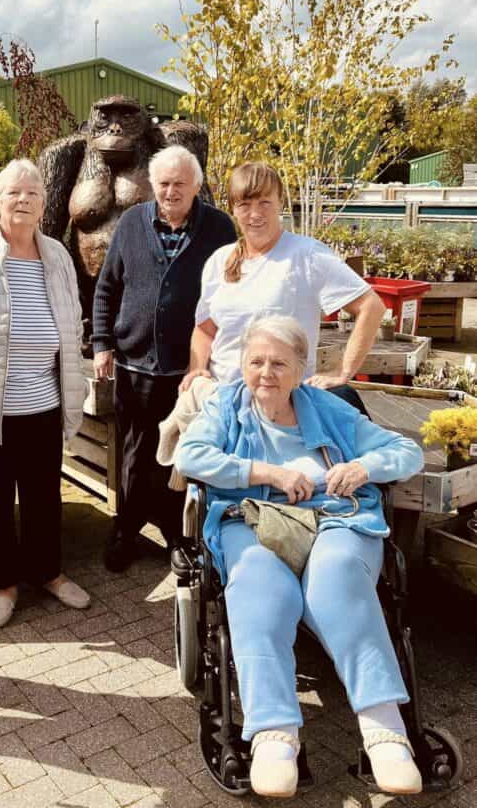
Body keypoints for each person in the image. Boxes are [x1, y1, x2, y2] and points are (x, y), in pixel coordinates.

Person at [176, 315, 424, 799]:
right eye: (256, 361)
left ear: (300, 368)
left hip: (337, 518)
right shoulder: (227, 405)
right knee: (258, 588)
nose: (266, 372)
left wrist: (362, 466)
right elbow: (191, 457)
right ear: (242, 364)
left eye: (278, 363)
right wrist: (265, 472)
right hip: (253, 516)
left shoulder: (329, 408)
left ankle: (384, 730)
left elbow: (404, 451)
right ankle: (273, 735)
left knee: (335, 582)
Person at [0, 159, 90, 629]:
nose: (24, 200)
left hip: (44, 404)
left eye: (33, 193)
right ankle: (3, 584)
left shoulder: (56, 255)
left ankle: (48, 572)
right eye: (14, 192)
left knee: (43, 497)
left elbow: (71, 322)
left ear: (43, 204)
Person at [92, 145, 236, 571]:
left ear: (196, 186)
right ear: (152, 186)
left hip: (189, 371)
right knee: (135, 454)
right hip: (135, 364)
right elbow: (106, 288)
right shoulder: (132, 223)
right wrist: (102, 343)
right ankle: (127, 529)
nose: (170, 191)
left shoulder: (219, 228)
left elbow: (232, 295)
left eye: (179, 183)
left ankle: (178, 534)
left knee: (182, 451)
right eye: (163, 184)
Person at [180, 162, 384, 402]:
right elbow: (205, 329)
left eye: (265, 202)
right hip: (223, 402)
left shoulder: (307, 255)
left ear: (280, 204)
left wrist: (343, 371)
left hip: (284, 406)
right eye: (244, 204)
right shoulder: (219, 260)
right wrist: (197, 369)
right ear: (233, 209)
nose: (255, 214)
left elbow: (371, 306)